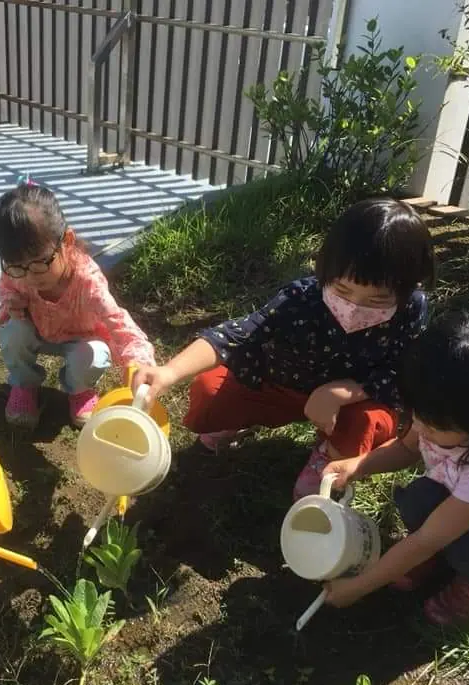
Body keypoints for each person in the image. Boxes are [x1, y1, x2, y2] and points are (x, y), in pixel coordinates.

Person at [133, 198, 435, 499]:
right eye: (343, 290)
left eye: (377, 300)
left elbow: (403, 371)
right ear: (325, 269)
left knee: (368, 421)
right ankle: (238, 422)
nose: (354, 307)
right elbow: (237, 334)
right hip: (283, 384)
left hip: (351, 404)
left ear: (409, 288)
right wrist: (170, 372)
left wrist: (344, 392)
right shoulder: (301, 298)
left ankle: (330, 459)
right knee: (210, 391)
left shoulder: (411, 309)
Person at [322, 312, 469, 625]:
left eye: (432, 426)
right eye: (417, 415)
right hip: (459, 500)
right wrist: (357, 465)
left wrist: (357, 588)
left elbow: (426, 540)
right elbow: (405, 448)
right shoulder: (439, 413)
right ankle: (440, 558)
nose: (420, 427)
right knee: (416, 500)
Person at [0, 183, 155, 429]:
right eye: (16, 266)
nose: (30, 275)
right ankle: (24, 384)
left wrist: (139, 361)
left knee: (93, 355)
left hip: (82, 340)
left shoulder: (87, 281)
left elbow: (120, 324)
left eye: (39, 262)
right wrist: (10, 304)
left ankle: (79, 390)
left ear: (67, 241)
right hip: (38, 332)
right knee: (14, 332)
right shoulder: (17, 272)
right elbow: (6, 291)